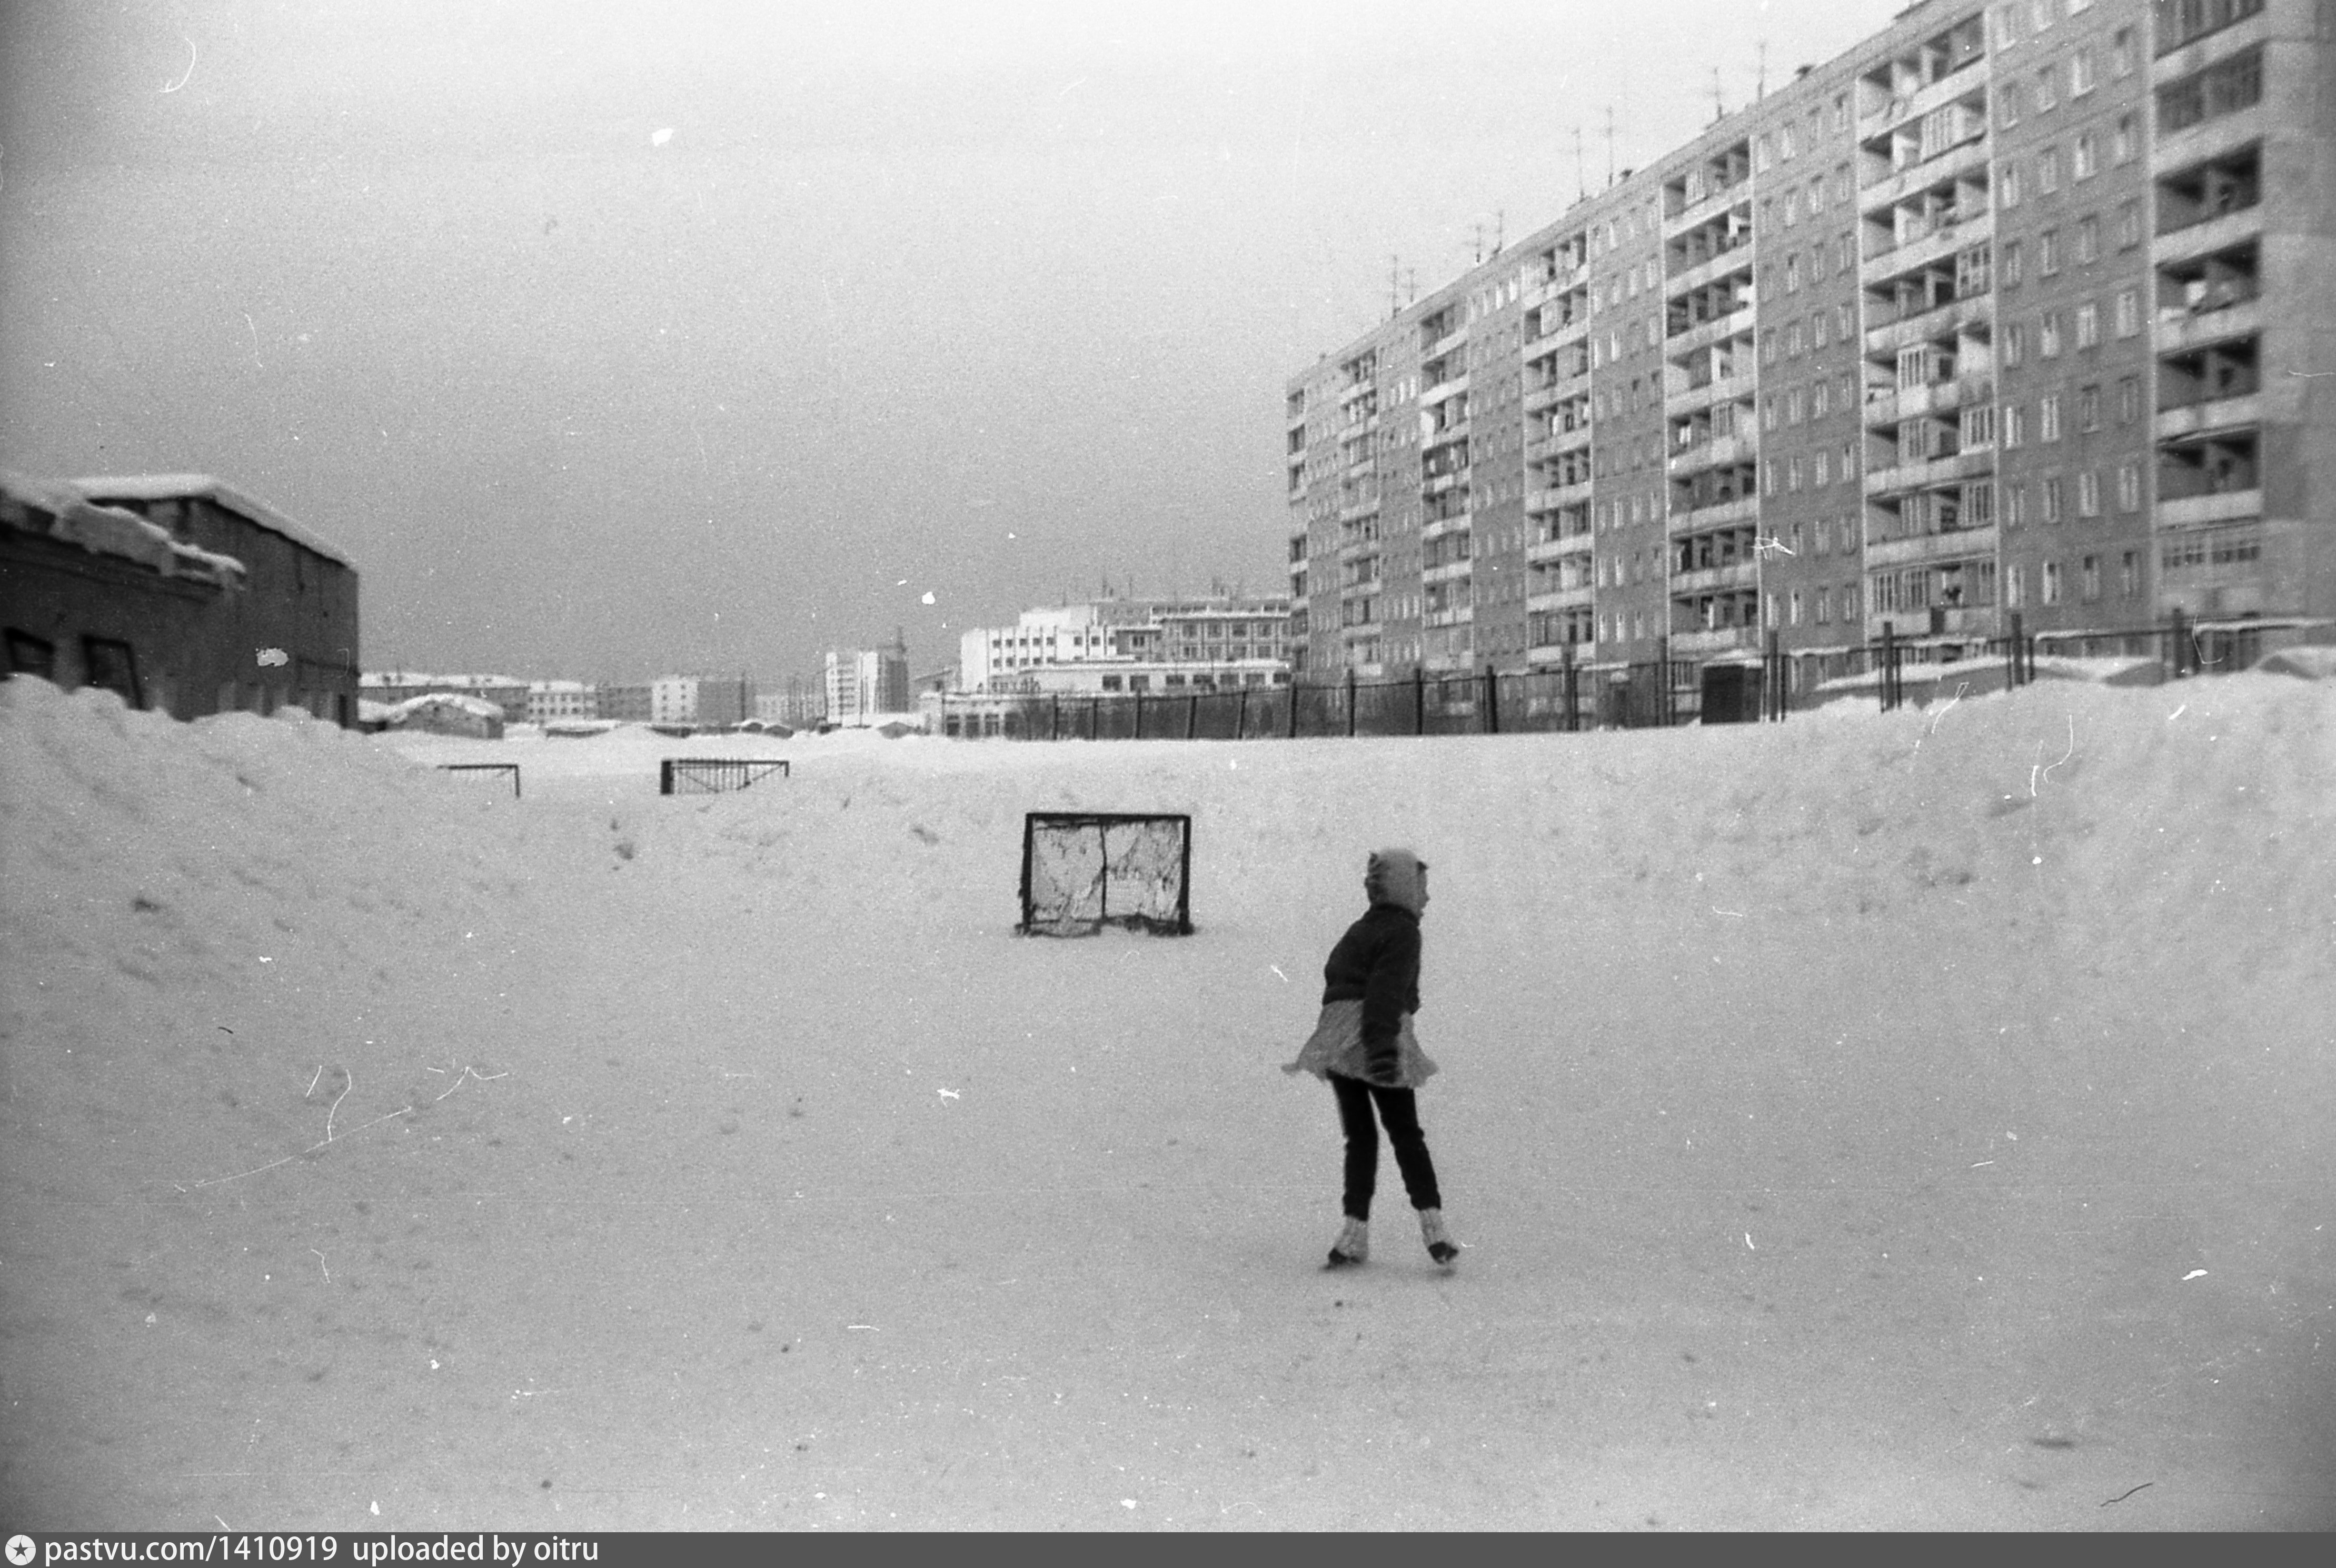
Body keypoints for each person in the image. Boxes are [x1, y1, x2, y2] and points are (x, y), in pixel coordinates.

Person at [1283, 847, 1457, 1270]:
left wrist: (1341, 1031)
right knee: (1405, 1134)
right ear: (1404, 889)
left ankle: (1353, 1233)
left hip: (1339, 1039)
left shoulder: (1360, 929)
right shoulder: (1403, 931)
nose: (1426, 898)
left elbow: (1337, 978)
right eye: (1421, 889)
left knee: (1360, 1137)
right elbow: (1383, 989)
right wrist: (1382, 1048)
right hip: (1375, 1037)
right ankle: (1433, 1228)